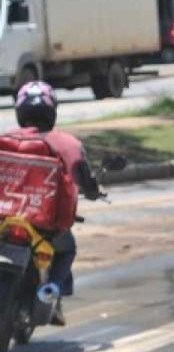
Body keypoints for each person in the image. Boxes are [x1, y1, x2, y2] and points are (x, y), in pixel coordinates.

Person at [12, 81, 104, 325]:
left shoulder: (6, 138)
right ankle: (52, 290)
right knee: (68, 248)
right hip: (47, 226)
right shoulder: (68, 143)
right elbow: (85, 180)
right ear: (52, 112)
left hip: (5, 220)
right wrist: (93, 192)